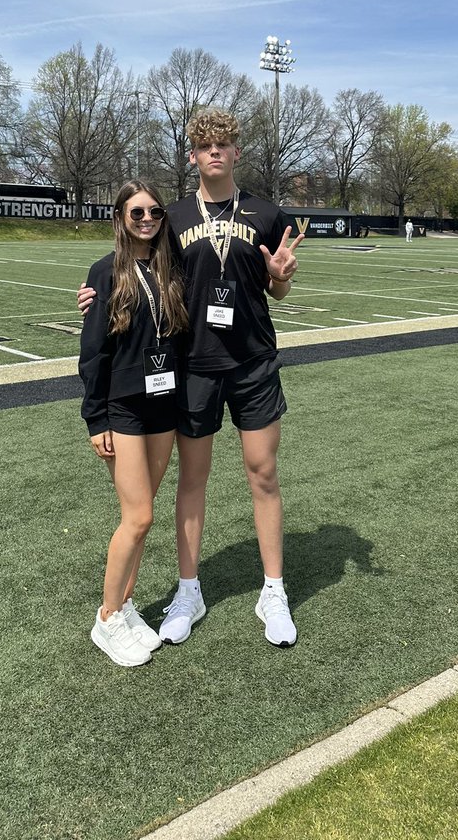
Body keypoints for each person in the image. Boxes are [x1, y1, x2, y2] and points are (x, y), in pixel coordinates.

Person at [79, 108, 303, 647]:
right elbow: (133, 265)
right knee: (192, 480)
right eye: (206, 146)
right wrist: (94, 290)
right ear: (193, 156)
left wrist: (281, 280)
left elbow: (278, 292)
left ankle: (273, 589)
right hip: (193, 365)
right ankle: (188, 589)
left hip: (252, 362)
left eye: (224, 144)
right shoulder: (173, 216)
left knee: (263, 473)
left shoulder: (268, 214)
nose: (215, 153)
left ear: (237, 152)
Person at [79, 180, 188, 667]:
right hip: (123, 406)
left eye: (155, 212)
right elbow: (93, 352)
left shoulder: (172, 266)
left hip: (164, 403)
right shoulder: (105, 273)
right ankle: (106, 619)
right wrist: (95, 416)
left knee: (144, 518)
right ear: (120, 216)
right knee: (137, 516)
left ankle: (124, 607)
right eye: (136, 212)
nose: (147, 219)